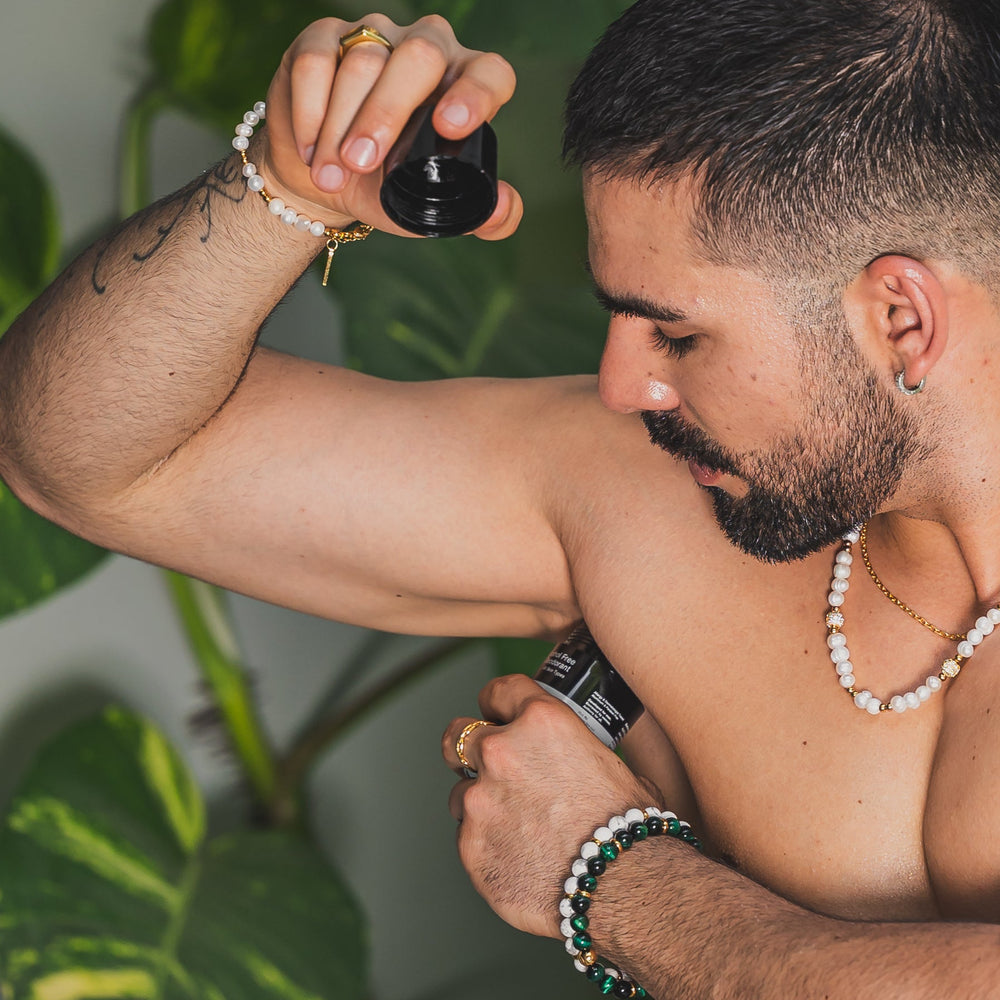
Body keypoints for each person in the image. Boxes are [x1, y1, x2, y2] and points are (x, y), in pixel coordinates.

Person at [3, 0, 1000, 994]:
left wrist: (612, 877)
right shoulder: (637, 497)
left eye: (677, 335)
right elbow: (85, 459)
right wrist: (289, 185)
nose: (623, 386)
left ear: (901, 321)